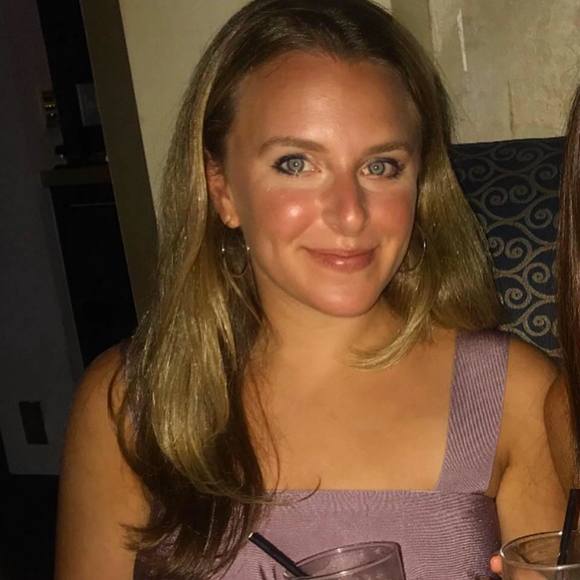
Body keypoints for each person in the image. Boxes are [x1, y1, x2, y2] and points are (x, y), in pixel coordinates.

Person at [54, 1, 567, 579]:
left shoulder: (518, 397)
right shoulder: (128, 405)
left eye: (381, 166)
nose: (349, 214)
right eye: (296, 163)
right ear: (221, 189)